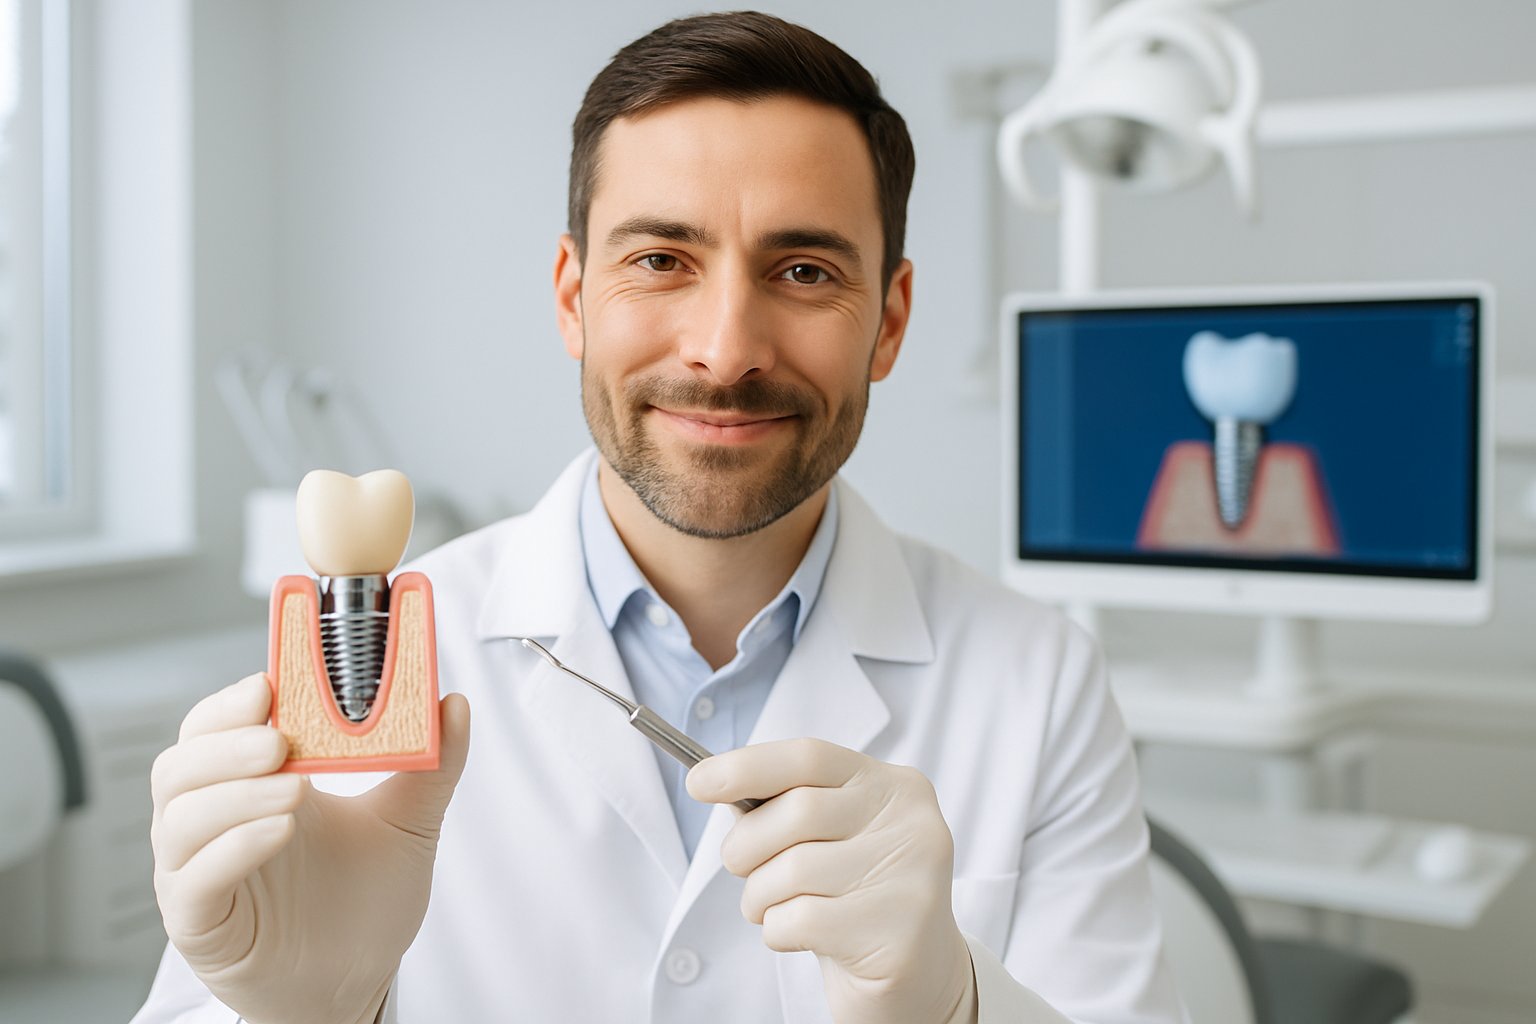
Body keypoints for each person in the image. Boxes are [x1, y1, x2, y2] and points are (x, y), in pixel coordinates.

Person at [133, 12, 1186, 1024]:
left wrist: (955, 1007)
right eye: (660, 260)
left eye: (804, 270)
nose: (726, 349)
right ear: (572, 297)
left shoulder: (1036, 678)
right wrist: (299, 1014)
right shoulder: (377, 668)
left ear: (890, 322)